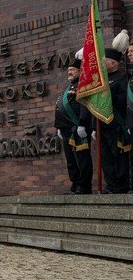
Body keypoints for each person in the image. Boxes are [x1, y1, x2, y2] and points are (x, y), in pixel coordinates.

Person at [54, 58, 93, 195]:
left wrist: (82, 123)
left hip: (77, 127)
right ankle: (75, 185)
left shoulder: (83, 85)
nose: (70, 72)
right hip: (66, 129)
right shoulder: (68, 87)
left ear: (80, 71)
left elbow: (85, 105)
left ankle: (84, 186)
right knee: (71, 160)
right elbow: (59, 107)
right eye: (69, 70)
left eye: (73, 70)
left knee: (81, 158)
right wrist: (58, 126)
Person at [100, 48, 129, 193]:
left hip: (116, 124)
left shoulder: (123, 78)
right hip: (103, 125)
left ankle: (121, 186)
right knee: (106, 158)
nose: (101, 64)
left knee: (119, 156)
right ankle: (110, 185)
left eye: (104, 61)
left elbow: (124, 101)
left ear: (113, 63)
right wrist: (94, 127)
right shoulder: (102, 81)